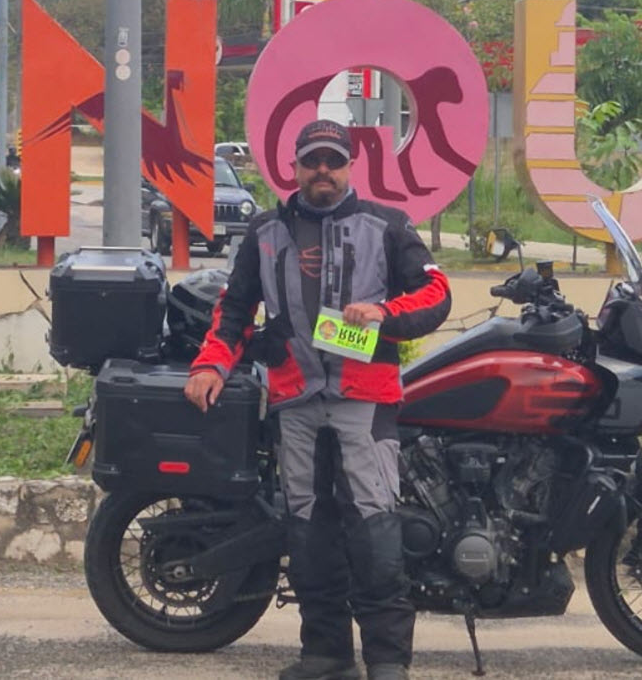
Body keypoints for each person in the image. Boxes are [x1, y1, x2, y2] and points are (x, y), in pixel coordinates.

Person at [184, 118, 451, 680]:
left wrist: (384, 313)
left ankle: (387, 661)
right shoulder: (264, 231)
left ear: (350, 166)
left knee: (375, 531)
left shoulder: (387, 225)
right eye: (312, 161)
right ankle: (326, 655)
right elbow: (235, 309)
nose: (322, 170)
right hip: (295, 399)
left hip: (365, 400)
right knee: (308, 534)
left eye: (333, 160)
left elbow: (435, 292)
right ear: (295, 167)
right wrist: (211, 365)